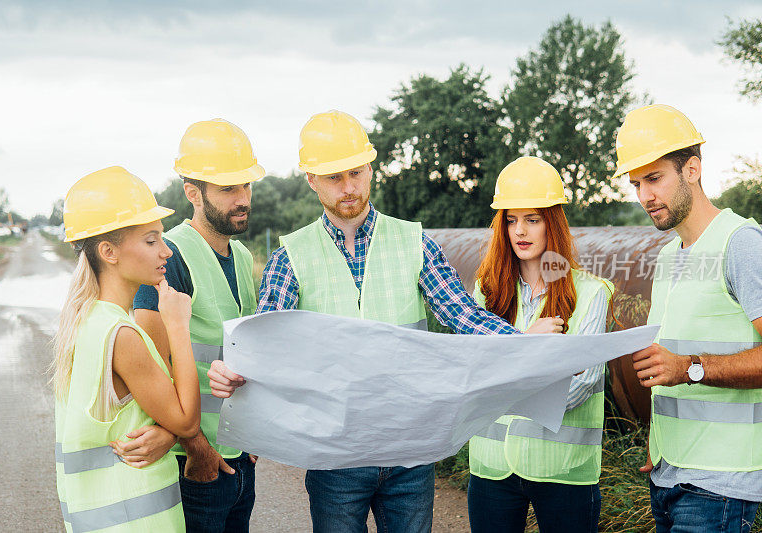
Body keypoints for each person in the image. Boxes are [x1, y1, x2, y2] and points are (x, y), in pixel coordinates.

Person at [208, 110, 560, 533]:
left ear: (371, 169)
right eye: (334, 177)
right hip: (334, 456)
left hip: (408, 450)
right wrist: (234, 371)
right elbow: (264, 345)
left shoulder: (413, 242)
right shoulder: (291, 256)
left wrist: (525, 345)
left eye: (356, 172)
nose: (349, 187)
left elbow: (463, 316)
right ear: (312, 181)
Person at [616, 104, 762, 532]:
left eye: (655, 179)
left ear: (692, 170)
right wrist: (657, 442)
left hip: (719, 483)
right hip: (668, 475)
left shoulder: (742, 244)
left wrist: (689, 368)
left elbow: (683, 367)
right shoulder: (667, 257)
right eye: (637, 183)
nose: (645, 196)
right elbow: (670, 359)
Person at [465, 156, 614, 532]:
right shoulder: (486, 292)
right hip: (492, 466)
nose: (520, 231)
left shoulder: (591, 293)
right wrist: (534, 361)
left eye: (532, 219)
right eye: (511, 220)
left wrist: (500, 379)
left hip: (563, 471)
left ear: (552, 223)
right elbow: (468, 372)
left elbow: (580, 387)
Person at [129, 119, 263, 533]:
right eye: (227, 189)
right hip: (197, 462)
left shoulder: (240, 256)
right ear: (193, 193)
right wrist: (196, 447)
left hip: (239, 456)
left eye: (245, 186)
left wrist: (257, 431)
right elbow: (153, 368)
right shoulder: (170, 257)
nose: (242, 199)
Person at [52, 166, 200, 532]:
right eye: (151, 241)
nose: (165, 251)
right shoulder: (122, 335)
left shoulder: (86, 321)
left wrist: (165, 432)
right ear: (109, 252)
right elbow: (186, 420)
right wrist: (178, 325)